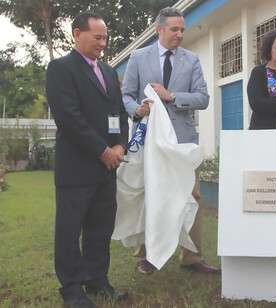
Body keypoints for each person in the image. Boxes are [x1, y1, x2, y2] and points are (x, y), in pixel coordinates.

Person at [121, 7, 220, 275]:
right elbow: (125, 95)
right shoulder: (139, 57)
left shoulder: (191, 60)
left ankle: (192, 258)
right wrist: (137, 109)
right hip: (148, 141)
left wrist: (172, 96)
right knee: (147, 192)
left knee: (193, 195)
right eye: (175, 29)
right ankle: (145, 256)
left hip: (182, 141)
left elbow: (203, 98)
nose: (180, 34)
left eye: (182, 29)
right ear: (160, 30)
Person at [46, 11, 129, 308]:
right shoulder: (61, 68)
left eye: (105, 38)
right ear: (77, 34)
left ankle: (97, 280)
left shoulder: (108, 72)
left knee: (100, 227)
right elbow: (69, 118)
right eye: (97, 37)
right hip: (77, 167)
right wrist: (101, 150)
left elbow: (119, 112)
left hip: (107, 167)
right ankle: (71, 289)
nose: (103, 43)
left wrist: (119, 145)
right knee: (70, 231)